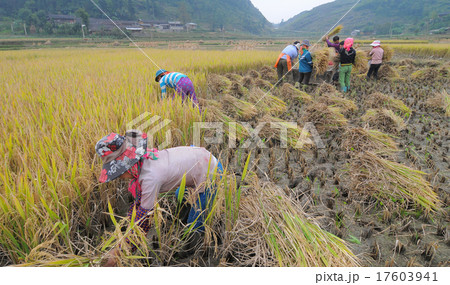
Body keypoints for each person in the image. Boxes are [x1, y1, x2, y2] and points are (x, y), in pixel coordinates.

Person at [96, 130, 223, 266]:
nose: (118, 176)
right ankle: (182, 219)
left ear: (126, 166)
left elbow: (144, 220)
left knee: (195, 221)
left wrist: (118, 253)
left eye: (117, 172)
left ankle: (189, 251)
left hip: (210, 170)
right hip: (195, 158)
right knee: (179, 195)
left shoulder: (151, 177)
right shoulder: (143, 160)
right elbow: (139, 205)